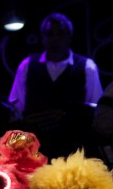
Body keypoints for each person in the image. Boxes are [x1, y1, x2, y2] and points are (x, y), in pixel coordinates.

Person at [8, 12, 103, 157]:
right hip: (35, 151)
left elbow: (96, 110)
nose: (55, 39)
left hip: (74, 149)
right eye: (49, 34)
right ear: (42, 38)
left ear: (69, 37)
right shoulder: (27, 66)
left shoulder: (87, 67)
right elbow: (16, 111)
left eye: (60, 34)